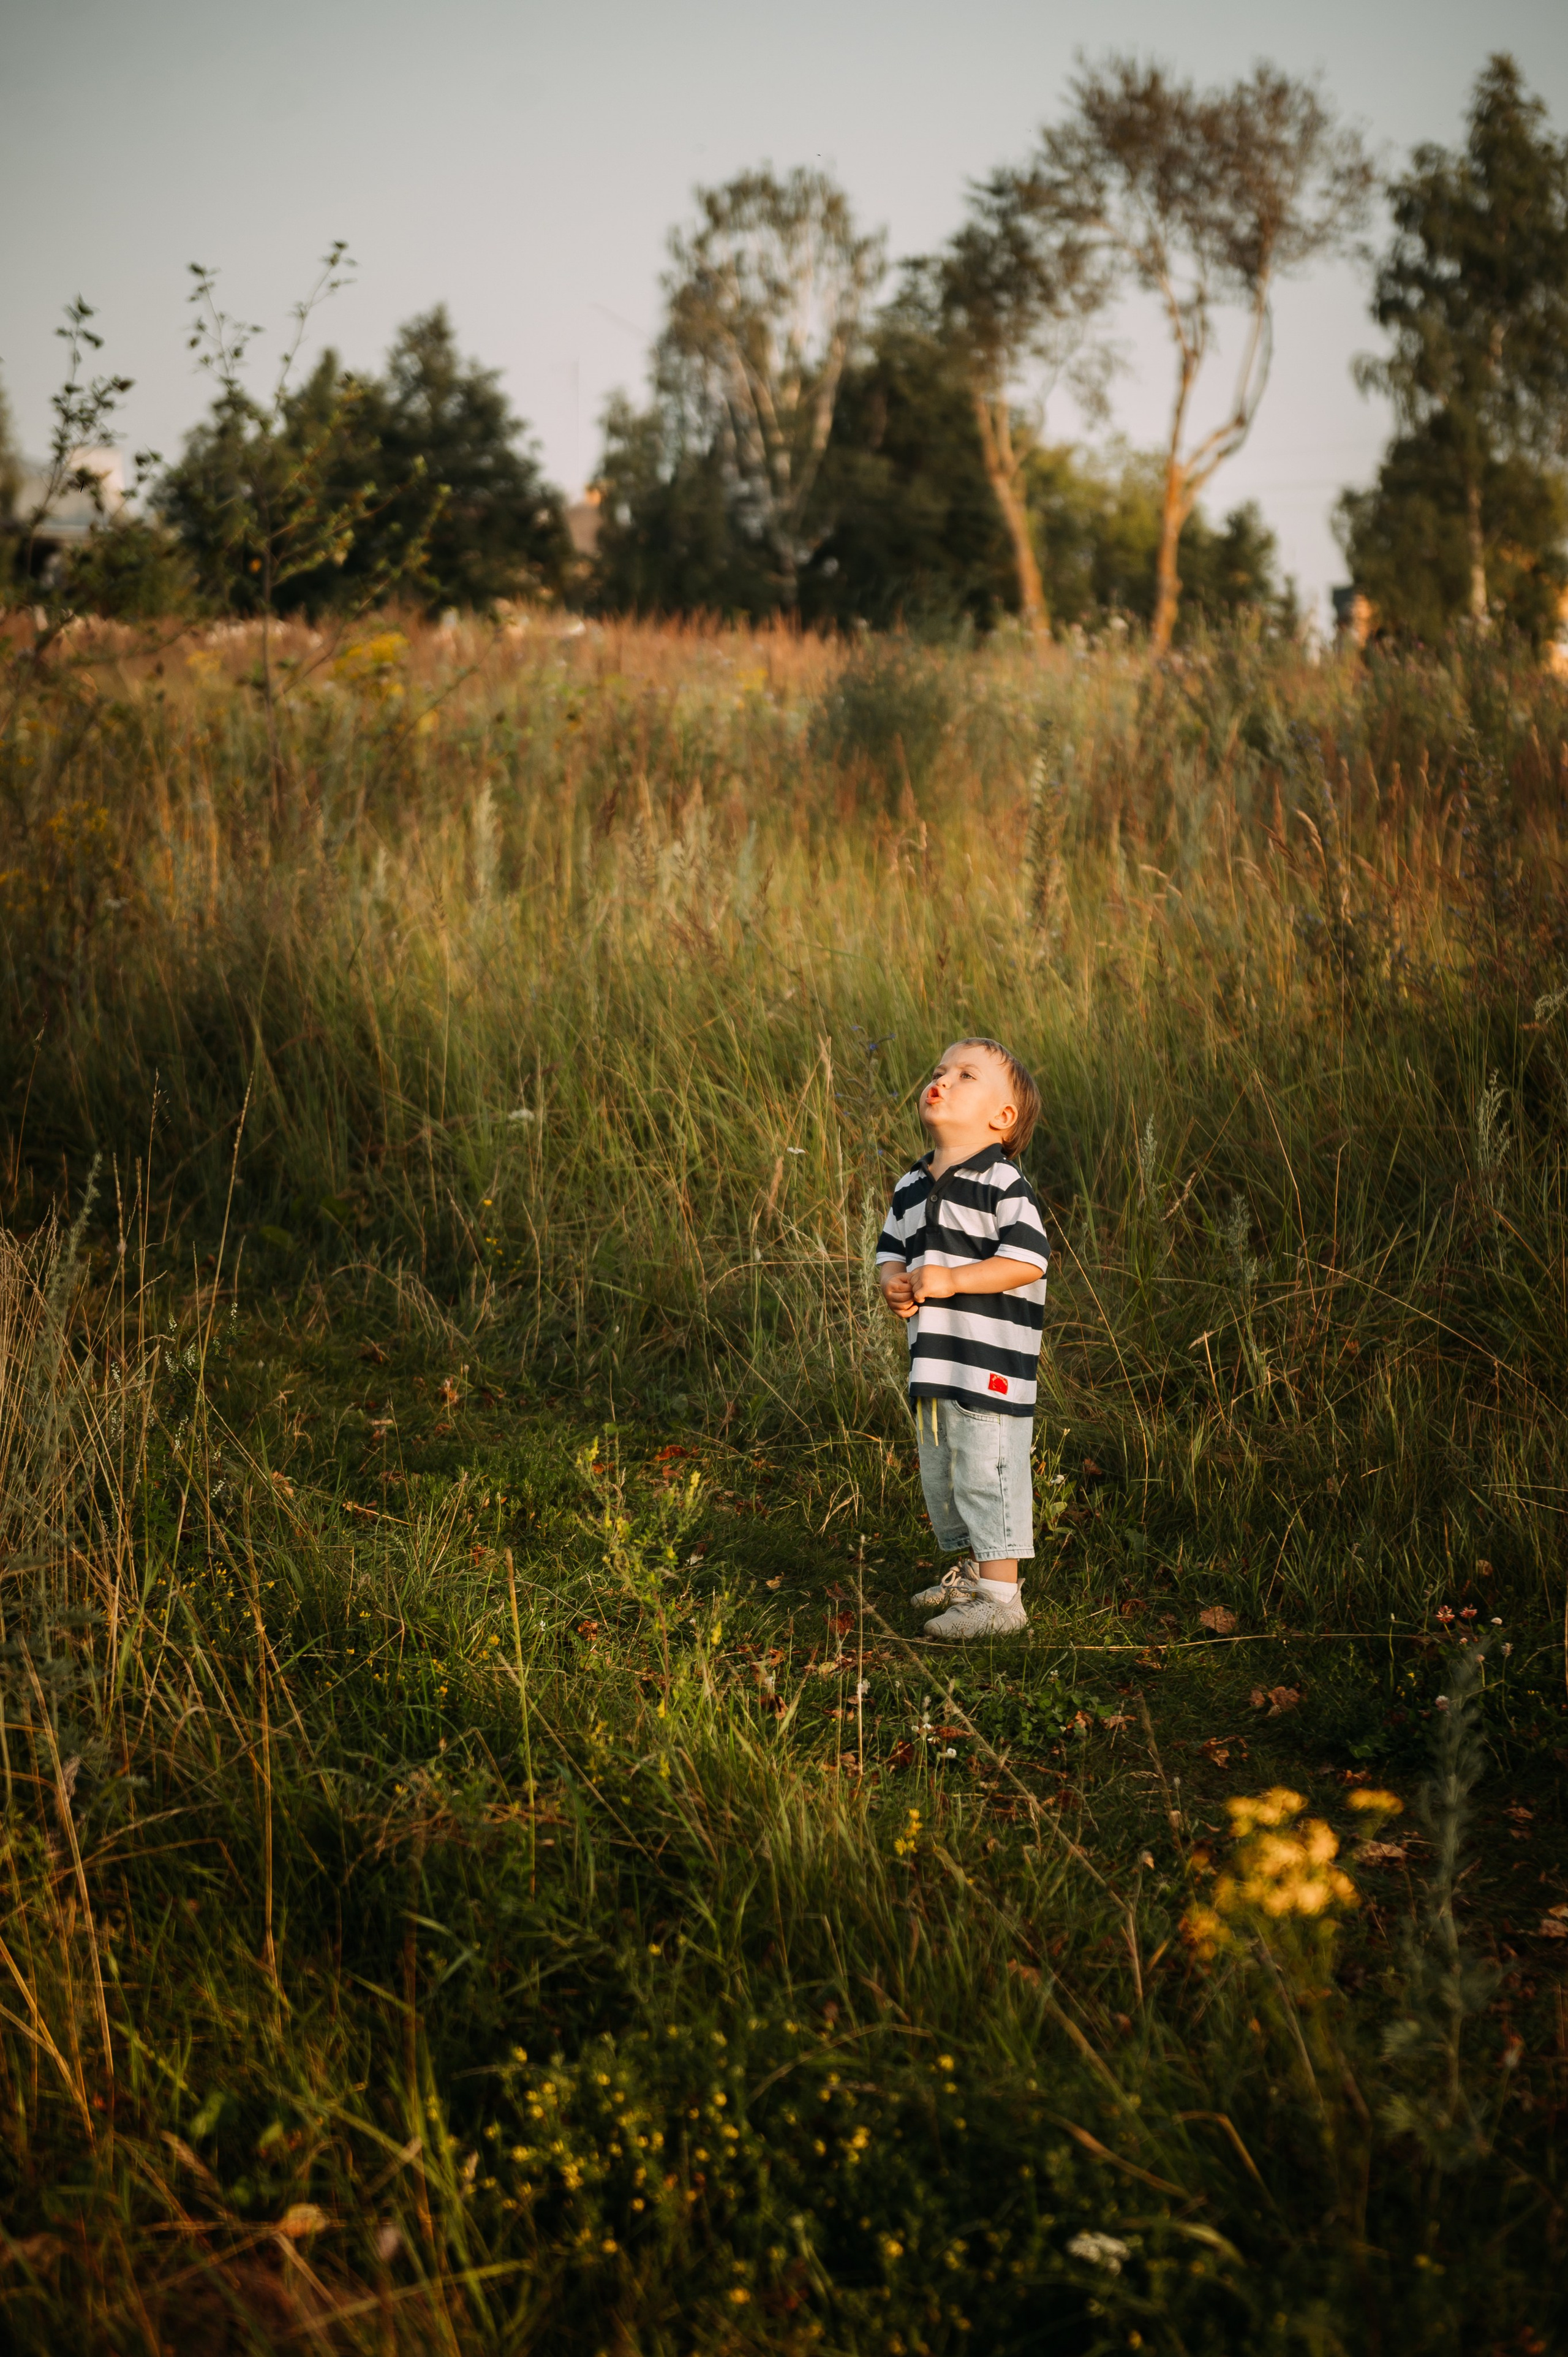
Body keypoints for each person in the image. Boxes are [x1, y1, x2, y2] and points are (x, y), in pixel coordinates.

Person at [876, 1039, 1049, 1640]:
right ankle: (974, 1574)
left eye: (966, 1075)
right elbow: (890, 1253)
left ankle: (1003, 1601)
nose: (942, 1080)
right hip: (935, 1362)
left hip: (989, 1360)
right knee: (945, 1472)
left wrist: (951, 1279)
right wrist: (894, 1285)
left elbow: (1027, 1259)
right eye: (939, 1070)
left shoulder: (1001, 1182)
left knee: (988, 1468)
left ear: (1002, 1119)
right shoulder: (911, 1184)